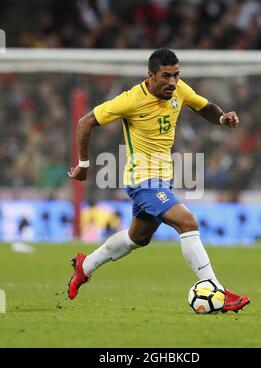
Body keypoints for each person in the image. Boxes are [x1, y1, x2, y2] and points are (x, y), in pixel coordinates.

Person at [68, 48, 250, 312]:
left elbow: (204, 107)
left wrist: (222, 118)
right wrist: (84, 164)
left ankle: (84, 266)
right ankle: (217, 290)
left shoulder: (179, 91)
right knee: (187, 222)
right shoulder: (130, 100)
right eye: (166, 76)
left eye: (176, 75)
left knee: (137, 238)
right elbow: (85, 122)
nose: (172, 82)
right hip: (143, 180)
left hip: (163, 180)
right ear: (150, 76)